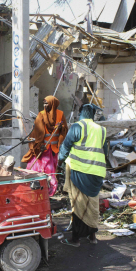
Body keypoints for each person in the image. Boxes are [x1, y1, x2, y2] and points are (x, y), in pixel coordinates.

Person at [56, 104, 107, 246]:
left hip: (80, 171)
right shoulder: (102, 130)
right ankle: (92, 237)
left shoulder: (77, 127)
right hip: (97, 174)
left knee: (78, 205)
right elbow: (106, 152)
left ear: (80, 114)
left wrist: (59, 163)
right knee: (92, 205)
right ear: (92, 114)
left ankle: (75, 239)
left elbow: (65, 147)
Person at [22, 96, 68, 196]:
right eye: (44, 103)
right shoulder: (41, 115)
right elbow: (36, 133)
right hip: (42, 149)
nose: (44, 105)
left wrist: (61, 128)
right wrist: (38, 146)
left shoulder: (60, 114)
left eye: (46, 103)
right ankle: (36, 190)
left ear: (52, 104)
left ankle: (48, 192)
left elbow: (65, 129)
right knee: (38, 169)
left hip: (53, 149)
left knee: (51, 171)